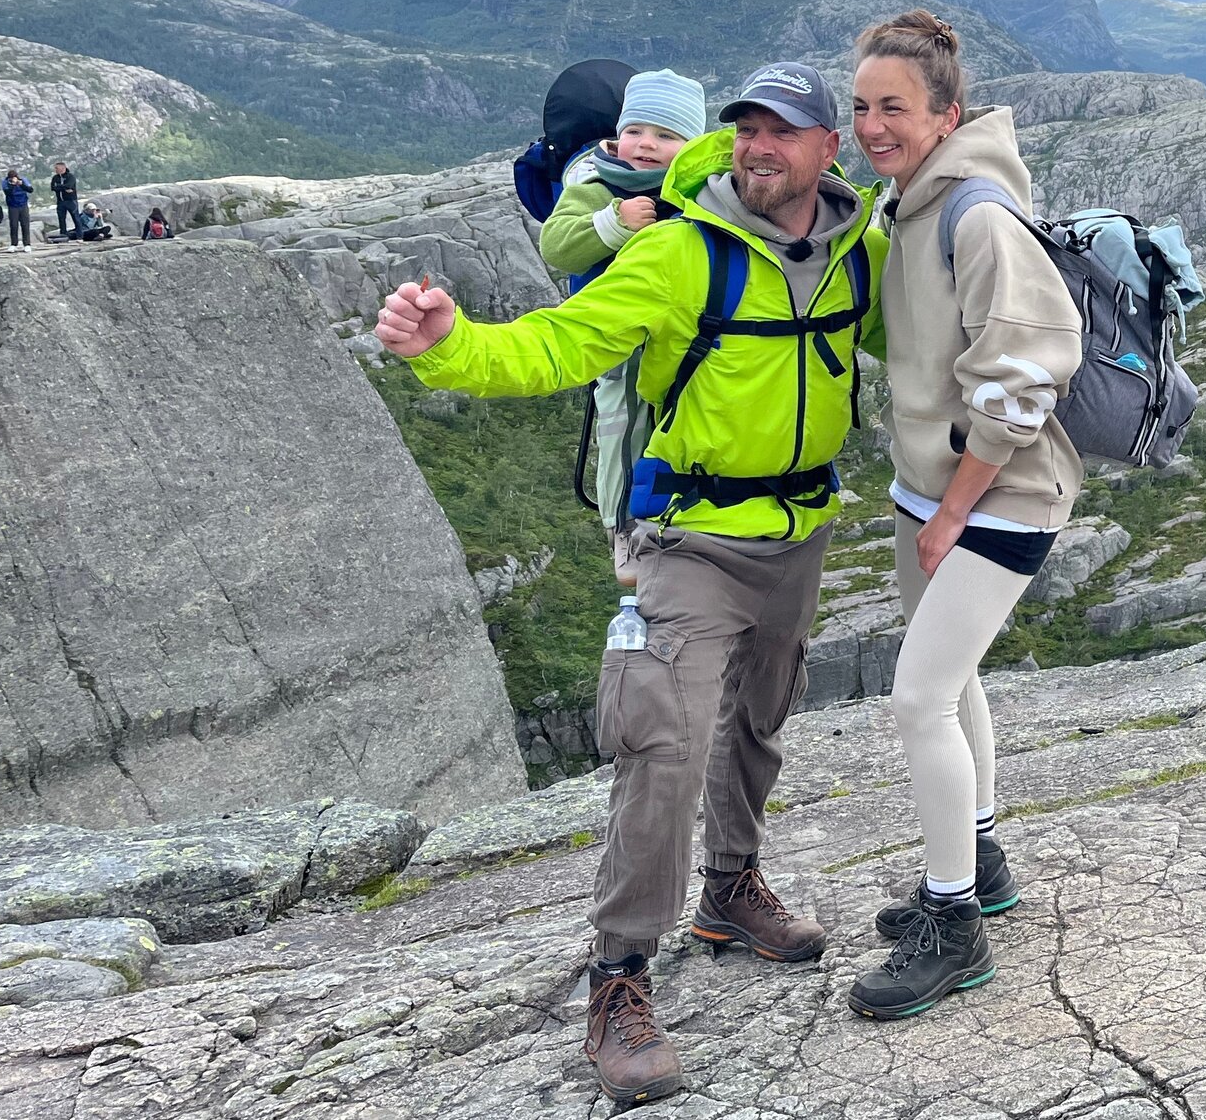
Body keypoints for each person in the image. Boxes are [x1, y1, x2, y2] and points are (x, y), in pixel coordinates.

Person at [373, 60, 884, 1107]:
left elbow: (925, 340)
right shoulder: (674, 253)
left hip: (800, 530)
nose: (759, 146)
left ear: (830, 149)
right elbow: (556, 345)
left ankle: (731, 888)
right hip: (688, 537)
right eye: (746, 128)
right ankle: (619, 976)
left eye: (783, 131)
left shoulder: (857, 254)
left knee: (761, 721)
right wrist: (447, 346)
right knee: (664, 743)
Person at [842, 11, 1083, 1022]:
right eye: (859, 107)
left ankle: (955, 930)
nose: (872, 125)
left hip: (997, 500)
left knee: (918, 702)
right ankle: (978, 860)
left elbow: (1027, 377)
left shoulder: (976, 215)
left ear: (947, 111)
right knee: (956, 682)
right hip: (927, 492)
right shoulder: (904, 204)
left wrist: (952, 511)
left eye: (893, 107)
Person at [537, 69, 709, 587]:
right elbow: (557, 244)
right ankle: (624, 528)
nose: (646, 145)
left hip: (684, 338)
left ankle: (683, 512)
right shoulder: (595, 183)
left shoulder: (700, 188)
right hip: (616, 338)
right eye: (635, 130)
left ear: (691, 146)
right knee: (621, 426)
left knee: (681, 424)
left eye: (666, 135)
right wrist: (613, 220)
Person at [1, 171, 33, 251]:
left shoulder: (23, 180)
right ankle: (14, 244)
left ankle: (27, 244)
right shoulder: (5, 182)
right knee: (14, 225)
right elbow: (8, 193)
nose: (13, 179)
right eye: (11, 178)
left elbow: (30, 190)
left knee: (25, 224)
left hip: (23, 204)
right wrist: (12, 185)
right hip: (12, 206)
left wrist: (21, 184)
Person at [49, 162, 77, 237]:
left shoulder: (70, 176)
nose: (55, 170)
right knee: (61, 219)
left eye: (56, 168)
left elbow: (69, 185)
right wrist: (64, 188)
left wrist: (59, 186)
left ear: (62, 168)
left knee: (75, 218)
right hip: (60, 201)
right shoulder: (55, 177)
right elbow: (53, 187)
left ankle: (79, 235)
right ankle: (63, 235)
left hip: (71, 200)